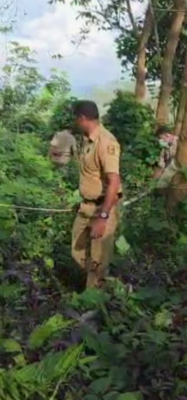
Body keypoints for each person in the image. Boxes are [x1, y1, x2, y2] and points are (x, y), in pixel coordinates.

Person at [70, 100, 123, 289]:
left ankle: (95, 297)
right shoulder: (87, 140)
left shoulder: (106, 142)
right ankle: (96, 284)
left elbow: (114, 182)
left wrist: (103, 217)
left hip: (102, 207)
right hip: (86, 206)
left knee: (98, 262)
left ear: (82, 118)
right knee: (77, 251)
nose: (75, 123)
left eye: (76, 119)